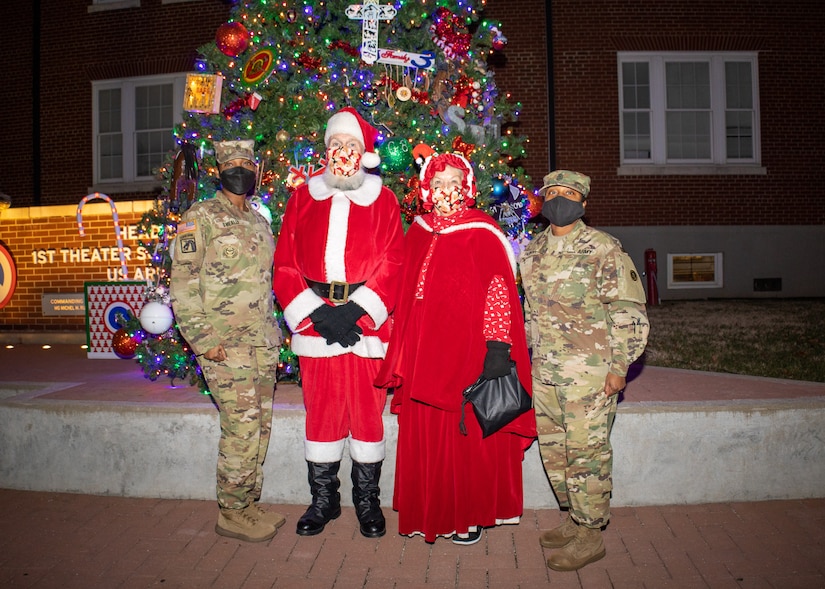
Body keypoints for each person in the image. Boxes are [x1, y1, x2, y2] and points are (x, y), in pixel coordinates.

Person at [376, 150, 536, 545]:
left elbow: (500, 291)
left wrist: (498, 347)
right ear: (427, 189)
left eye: (453, 181)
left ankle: (467, 516)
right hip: (422, 354)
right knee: (428, 433)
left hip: (467, 354)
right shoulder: (417, 230)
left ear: (466, 187)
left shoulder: (482, 232)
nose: (445, 189)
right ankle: (429, 512)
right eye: (437, 182)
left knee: (461, 437)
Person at [272, 107, 404, 538]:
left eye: (351, 147)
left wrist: (356, 311)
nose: (342, 153)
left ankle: (368, 503)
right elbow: (285, 265)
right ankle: (323, 501)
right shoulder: (301, 198)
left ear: (363, 154)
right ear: (324, 151)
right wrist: (316, 314)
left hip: (366, 328)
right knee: (322, 415)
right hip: (315, 328)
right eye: (335, 146)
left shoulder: (384, 200)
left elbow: (395, 262)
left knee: (368, 416)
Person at [519, 170, 649, 571]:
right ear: (543, 202)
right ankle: (575, 519)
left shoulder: (603, 248)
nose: (561, 199)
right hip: (546, 373)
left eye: (569, 194)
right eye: (553, 193)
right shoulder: (532, 251)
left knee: (587, 454)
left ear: (583, 203)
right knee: (556, 451)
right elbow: (530, 313)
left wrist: (619, 365)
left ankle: (591, 534)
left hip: (590, 374)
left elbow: (628, 311)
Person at [170, 139, 284, 543]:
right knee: (240, 428)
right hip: (223, 343)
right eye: (231, 163)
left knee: (261, 428)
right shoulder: (200, 216)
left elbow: (266, 284)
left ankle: (249, 502)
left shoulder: (259, 221)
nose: (239, 168)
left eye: (245, 162)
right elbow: (182, 284)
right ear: (219, 170)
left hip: (260, 343)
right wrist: (202, 340)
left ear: (255, 169)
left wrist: (275, 337)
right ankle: (232, 512)